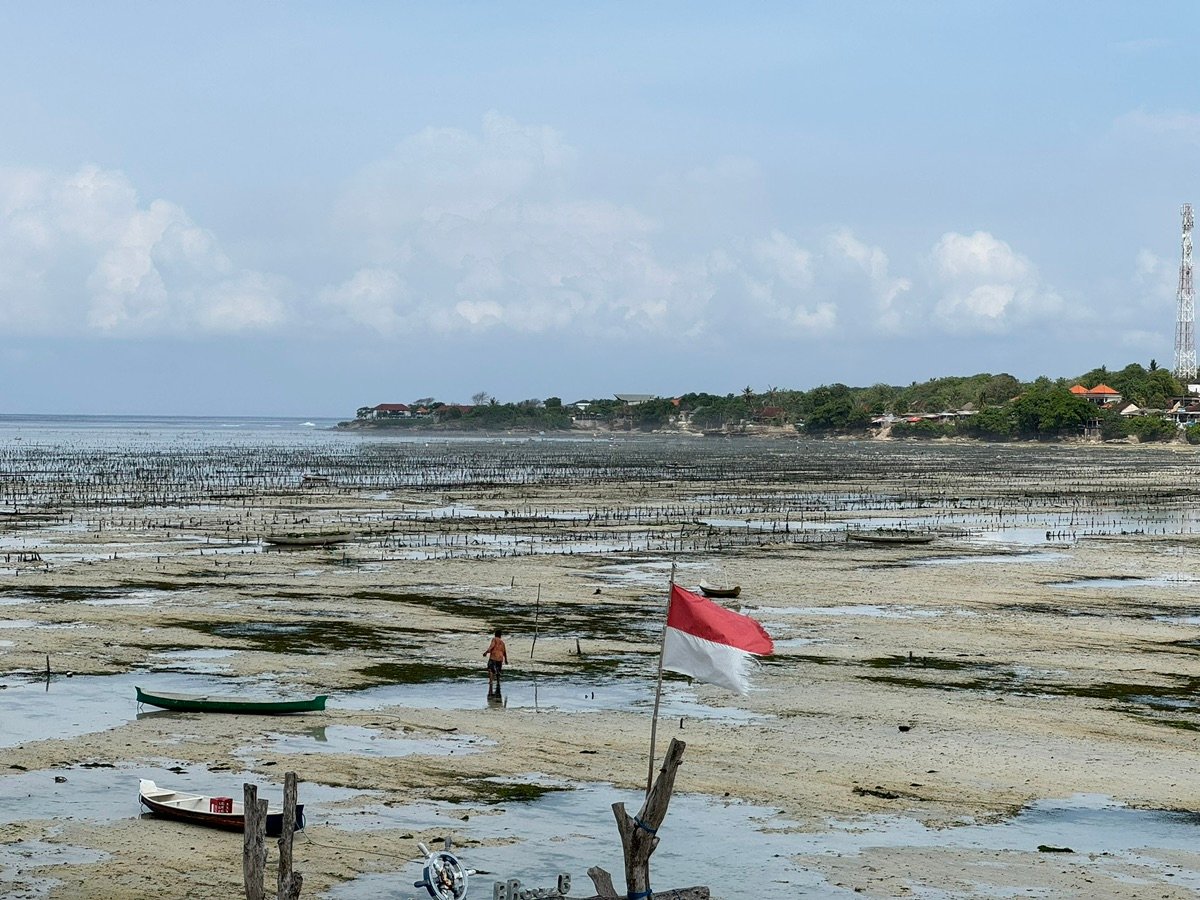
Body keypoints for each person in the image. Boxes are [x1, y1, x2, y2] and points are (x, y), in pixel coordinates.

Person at [484, 628, 508, 695]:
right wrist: (506, 659)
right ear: (500, 635)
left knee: (491, 669)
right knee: (498, 672)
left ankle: (491, 682)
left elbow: (492, 646)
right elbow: (504, 652)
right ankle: (498, 682)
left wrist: (486, 652)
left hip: (494, 657)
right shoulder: (502, 643)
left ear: (495, 634)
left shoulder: (494, 639)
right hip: (500, 659)